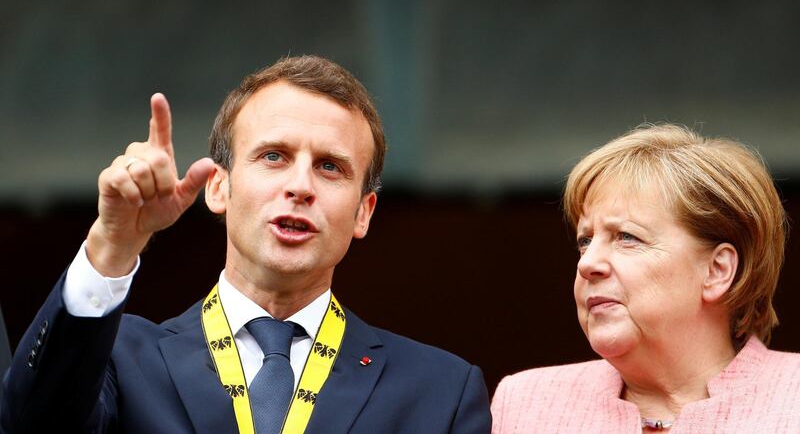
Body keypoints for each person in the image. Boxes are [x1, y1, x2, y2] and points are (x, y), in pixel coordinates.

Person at [2, 56, 491, 433]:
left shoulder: (440, 390)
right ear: (219, 187)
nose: (301, 186)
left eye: (330, 167)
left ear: (363, 212)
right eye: (274, 156)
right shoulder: (119, 357)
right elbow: (32, 424)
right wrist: (112, 244)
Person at [491, 124, 800, 433]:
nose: (587, 263)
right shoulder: (525, 405)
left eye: (627, 237)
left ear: (717, 271)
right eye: (585, 240)